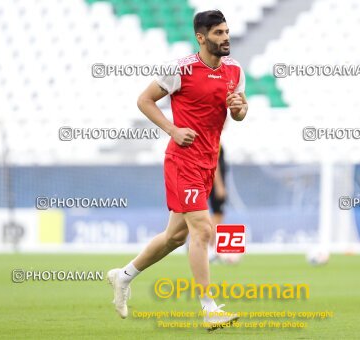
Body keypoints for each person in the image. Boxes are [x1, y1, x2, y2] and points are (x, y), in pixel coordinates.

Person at [106, 10, 248, 330]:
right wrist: (172, 130)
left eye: (227, 31)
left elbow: (238, 111)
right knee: (203, 230)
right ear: (201, 37)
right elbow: (144, 100)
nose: (226, 38)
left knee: (174, 237)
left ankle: (123, 276)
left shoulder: (235, 70)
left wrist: (241, 109)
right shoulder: (180, 69)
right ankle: (210, 309)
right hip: (182, 160)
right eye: (218, 33)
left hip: (208, 162)